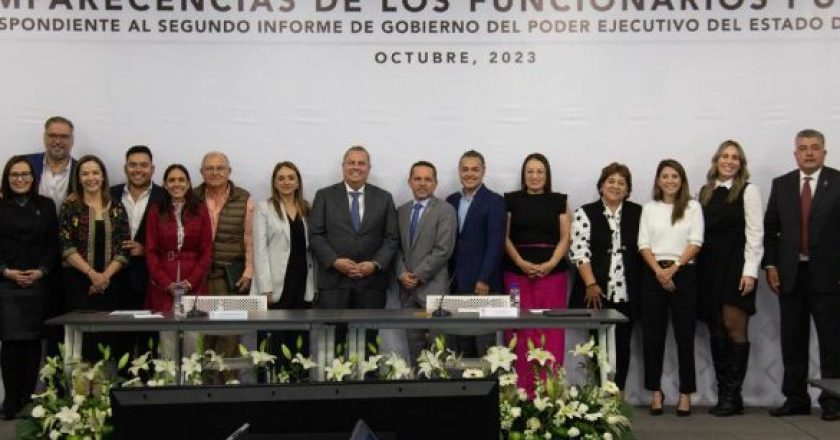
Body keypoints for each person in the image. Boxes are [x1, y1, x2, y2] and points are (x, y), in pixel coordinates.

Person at [764, 129, 840, 421]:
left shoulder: (837, 181)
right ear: (795, 153)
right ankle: (796, 398)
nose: (809, 153)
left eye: (815, 147)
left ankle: (833, 401)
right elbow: (771, 230)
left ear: (824, 152)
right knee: (792, 340)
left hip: (829, 276)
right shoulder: (782, 184)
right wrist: (771, 266)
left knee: (832, 342)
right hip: (790, 275)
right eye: (803, 148)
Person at [696, 141, 764, 417]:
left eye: (735, 157)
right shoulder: (705, 192)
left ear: (741, 163)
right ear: (716, 161)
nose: (729, 161)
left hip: (736, 267)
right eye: (725, 156)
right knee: (716, 328)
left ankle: (732, 394)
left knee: (734, 326)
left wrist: (750, 272)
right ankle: (725, 393)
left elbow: (755, 233)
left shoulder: (749, 190)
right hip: (709, 268)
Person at [310, 145, 399, 354]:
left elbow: (391, 238)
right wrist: (334, 261)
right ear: (343, 166)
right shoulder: (324, 196)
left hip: (371, 284)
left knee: (369, 343)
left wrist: (375, 264)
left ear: (369, 168)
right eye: (351, 163)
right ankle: (334, 377)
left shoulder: (384, 198)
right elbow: (315, 235)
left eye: (361, 163)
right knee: (333, 343)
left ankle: (367, 376)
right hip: (333, 283)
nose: (356, 167)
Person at [638, 159, 703, 417]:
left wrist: (673, 269)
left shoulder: (692, 207)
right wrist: (659, 272)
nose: (670, 181)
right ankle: (656, 391)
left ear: (682, 180)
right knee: (653, 337)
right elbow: (643, 244)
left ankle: (685, 393)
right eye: (665, 176)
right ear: (658, 180)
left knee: (684, 336)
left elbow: (696, 242)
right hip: (653, 273)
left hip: (683, 273)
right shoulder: (649, 208)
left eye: (675, 176)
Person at [569, 162, 642, 392]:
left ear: (628, 190)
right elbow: (579, 251)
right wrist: (590, 283)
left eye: (621, 183)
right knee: (597, 343)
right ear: (601, 186)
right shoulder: (585, 212)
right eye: (611, 181)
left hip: (628, 290)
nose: (616, 186)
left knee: (623, 343)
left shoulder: (638, 213)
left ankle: (617, 394)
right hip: (597, 290)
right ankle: (598, 394)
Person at [503, 153, 571, 393]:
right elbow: (504, 236)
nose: (534, 176)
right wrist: (520, 262)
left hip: (553, 275)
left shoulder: (559, 201)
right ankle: (520, 392)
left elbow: (566, 237)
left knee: (550, 330)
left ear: (547, 175)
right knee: (519, 330)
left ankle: (550, 391)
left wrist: (551, 263)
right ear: (524, 175)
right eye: (530, 171)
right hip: (516, 273)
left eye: (539, 171)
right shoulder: (510, 200)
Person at [0, 156, 58, 420]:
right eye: (14, 175)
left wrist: (41, 271)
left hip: (38, 282)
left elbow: (53, 245)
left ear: (33, 178)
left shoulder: (46, 206)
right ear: (7, 178)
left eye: (25, 174)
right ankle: (11, 400)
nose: (20, 179)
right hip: (7, 283)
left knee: (34, 343)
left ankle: (28, 400)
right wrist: (6, 271)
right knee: (11, 343)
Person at [58, 155, 131, 361]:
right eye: (85, 174)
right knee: (83, 343)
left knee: (107, 342)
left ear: (103, 176)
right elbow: (66, 246)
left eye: (95, 173)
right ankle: (81, 383)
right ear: (78, 178)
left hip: (111, 284)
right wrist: (92, 274)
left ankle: (105, 382)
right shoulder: (70, 206)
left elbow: (124, 247)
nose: (91, 178)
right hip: (78, 283)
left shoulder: (116, 207)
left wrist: (104, 277)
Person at [194, 151, 255, 377]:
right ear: (201, 172)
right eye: (209, 168)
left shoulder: (244, 198)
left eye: (220, 168)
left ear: (229, 171)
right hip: (199, 278)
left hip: (230, 278)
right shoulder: (192, 197)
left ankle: (229, 386)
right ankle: (203, 387)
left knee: (230, 337)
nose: (215, 172)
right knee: (203, 337)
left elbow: (250, 238)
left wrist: (249, 271)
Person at [250, 162, 315, 366]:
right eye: (281, 178)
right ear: (274, 183)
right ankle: (270, 381)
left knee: (299, 339)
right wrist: (265, 287)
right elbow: (259, 249)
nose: (286, 182)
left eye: (291, 178)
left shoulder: (306, 208)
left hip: (302, 281)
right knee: (273, 340)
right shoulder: (264, 208)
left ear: (298, 183)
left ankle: (298, 379)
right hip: (275, 283)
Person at [145, 164, 212, 359]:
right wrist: (166, 283)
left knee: (193, 340)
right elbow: (150, 250)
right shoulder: (156, 211)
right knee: (167, 341)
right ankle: (168, 377)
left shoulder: (200, 210)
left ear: (189, 183)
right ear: (165, 185)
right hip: (165, 283)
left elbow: (207, 250)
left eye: (181, 180)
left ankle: (192, 377)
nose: (177, 184)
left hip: (194, 282)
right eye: (172, 180)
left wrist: (192, 281)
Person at [25, 116, 78, 359]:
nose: (58, 141)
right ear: (44, 137)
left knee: (61, 326)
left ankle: (59, 379)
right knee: (28, 327)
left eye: (64, 136)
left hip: (70, 262)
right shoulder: (27, 166)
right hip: (31, 260)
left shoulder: (83, 171)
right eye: (53, 135)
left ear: (72, 140)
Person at [446, 150, 506, 357]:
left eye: (475, 169)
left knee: (484, 346)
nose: (469, 174)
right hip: (456, 283)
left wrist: (484, 278)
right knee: (461, 346)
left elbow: (496, 244)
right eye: (465, 169)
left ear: (483, 172)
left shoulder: (495, 201)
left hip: (483, 285)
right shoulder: (451, 200)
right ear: (459, 171)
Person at [396, 161, 457, 359]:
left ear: (435, 183)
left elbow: (443, 250)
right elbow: (396, 247)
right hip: (407, 292)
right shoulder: (402, 211)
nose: (422, 183)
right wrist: (401, 273)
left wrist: (417, 276)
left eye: (427, 179)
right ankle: (417, 380)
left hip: (434, 290)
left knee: (438, 349)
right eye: (417, 179)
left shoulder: (445, 210)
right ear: (410, 182)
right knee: (414, 347)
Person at [109, 145, 165, 356]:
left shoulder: (164, 196)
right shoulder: (109, 194)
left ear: (152, 168)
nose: (138, 170)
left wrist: (146, 250)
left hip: (149, 279)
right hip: (113, 278)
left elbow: (174, 238)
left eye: (143, 165)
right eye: (133, 165)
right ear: (125, 168)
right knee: (117, 340)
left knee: (148, 342)